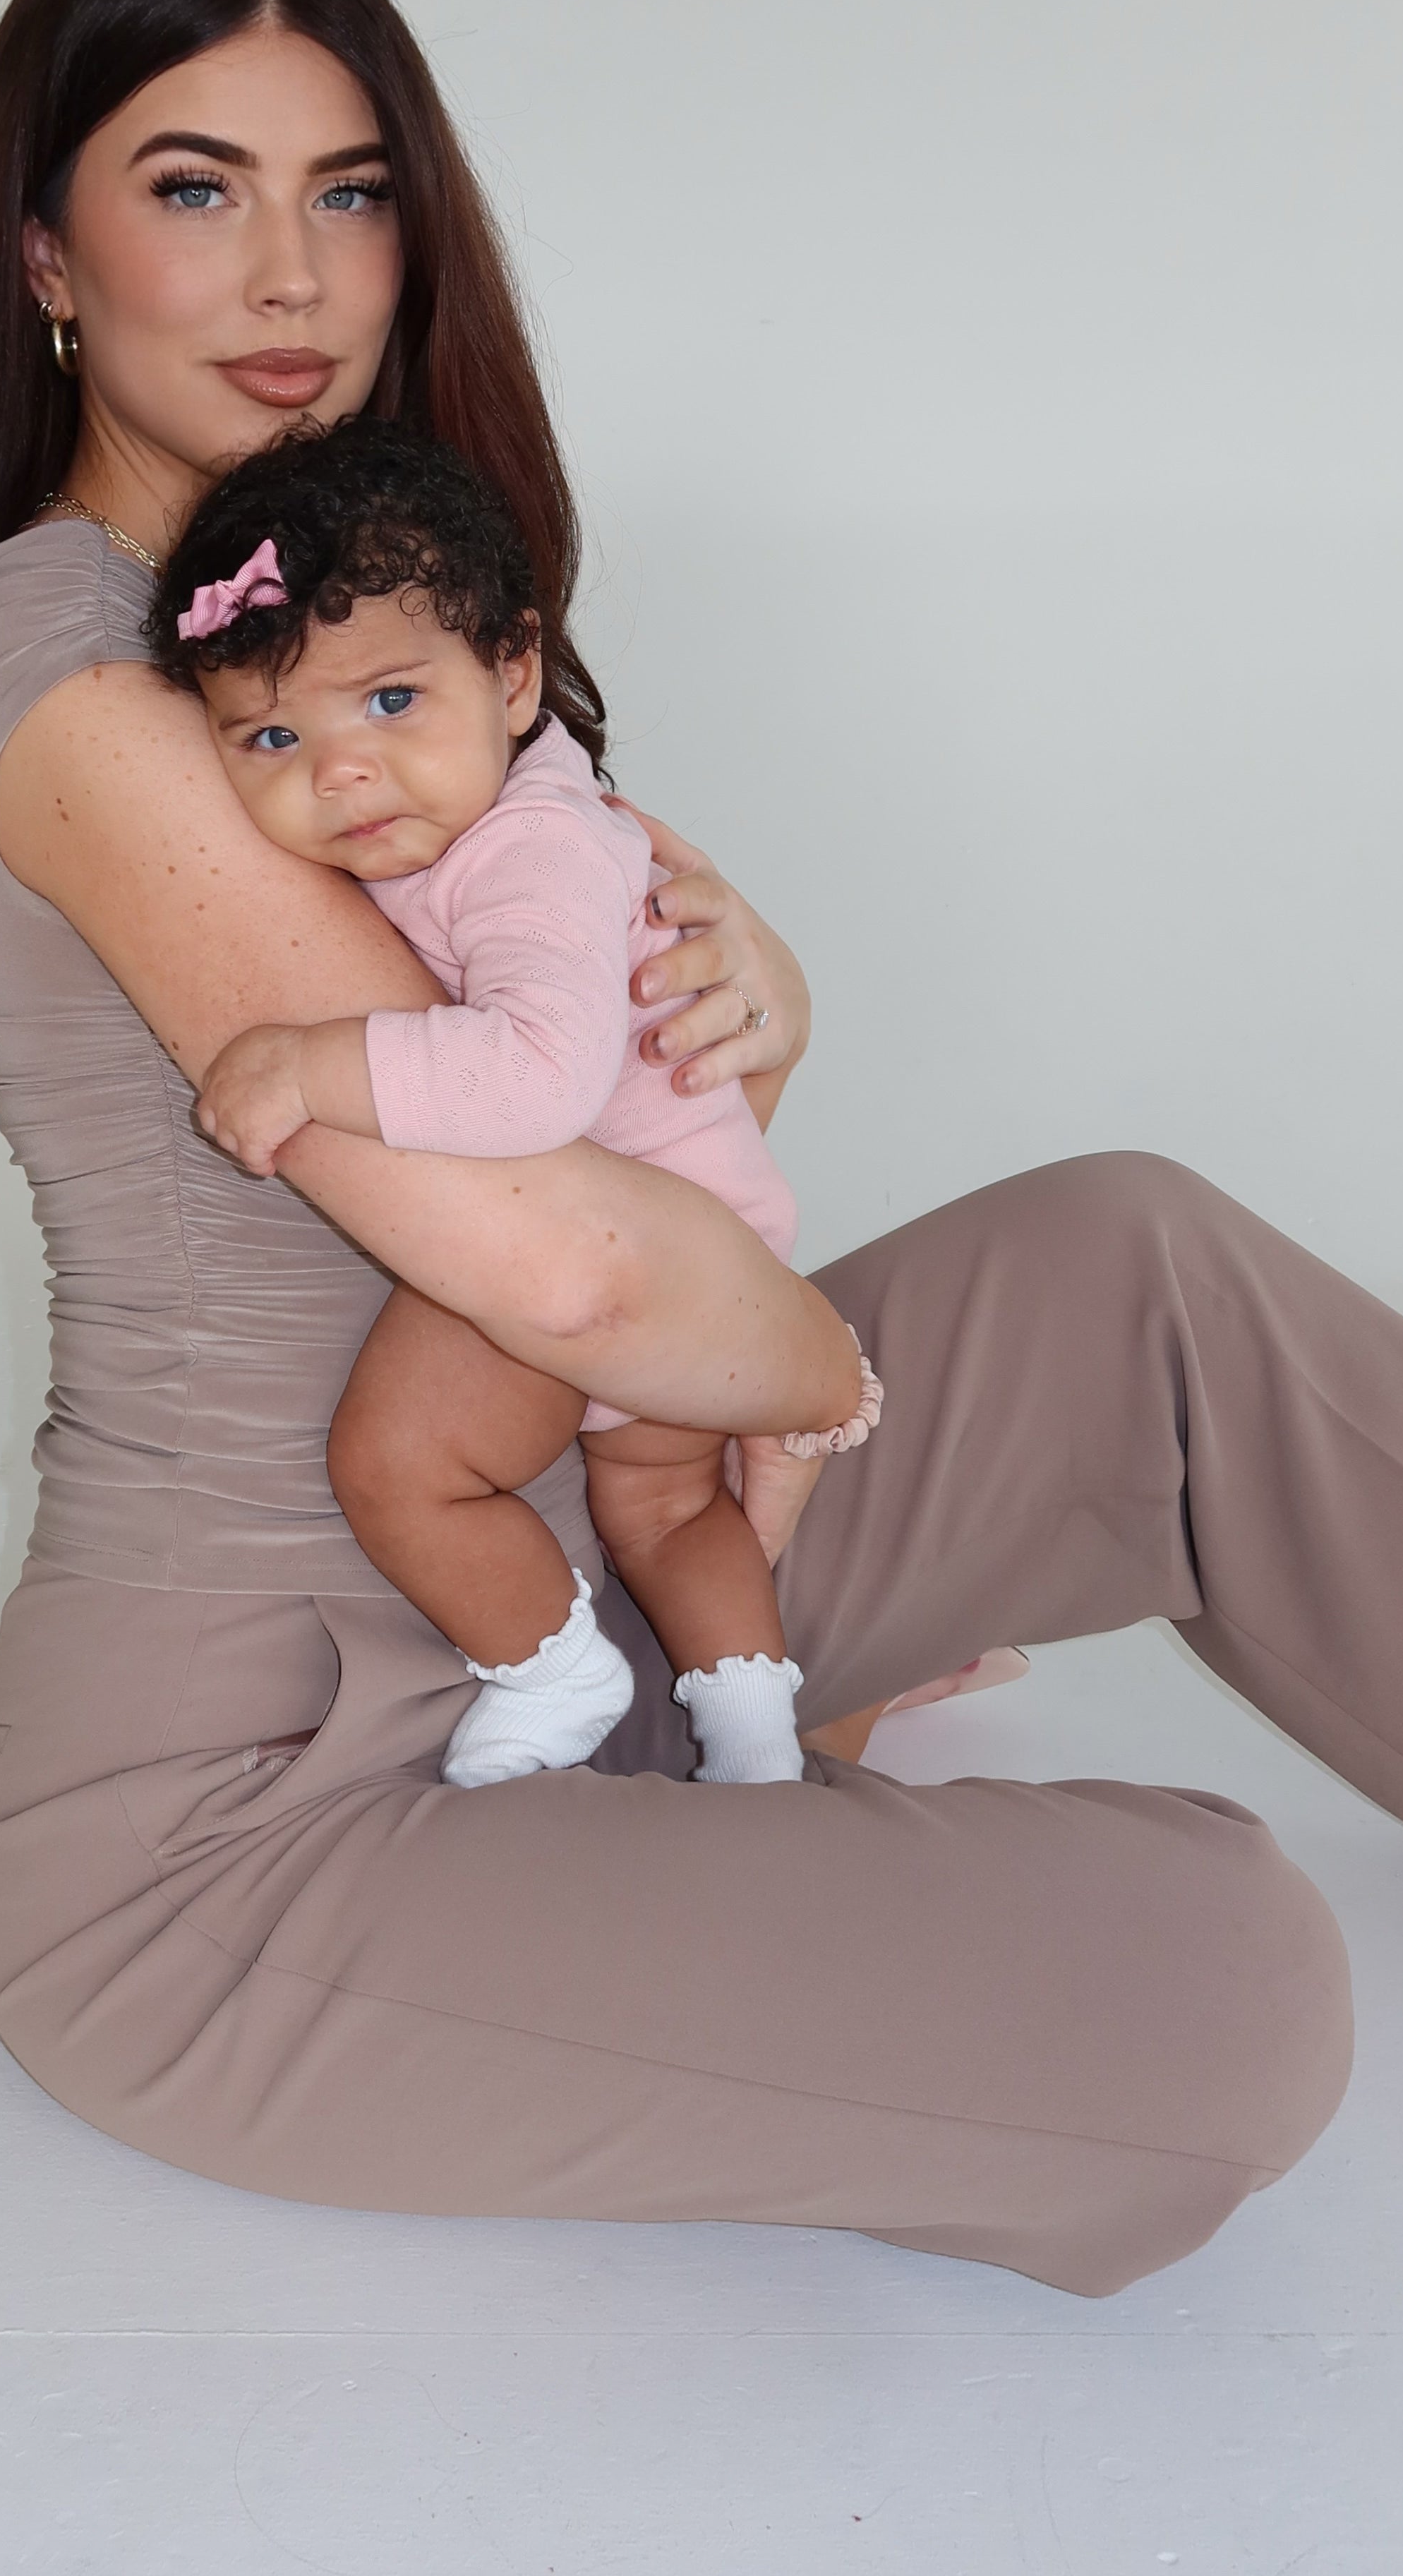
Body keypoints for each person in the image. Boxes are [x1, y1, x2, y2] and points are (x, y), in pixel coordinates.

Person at [0, 0, 1403, 2299]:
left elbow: (605, 1068)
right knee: (1227, 1986)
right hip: (259, 1814)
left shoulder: (361, 603)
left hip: (567, 1548)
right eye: (191, 184)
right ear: (43, 253)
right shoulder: (55, 667)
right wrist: (818, 1401)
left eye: (347, 192)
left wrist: (755, 991)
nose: (289, 276)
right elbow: (562, 1259)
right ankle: (746, 1770)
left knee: (1126, 1264)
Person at [147, 416, 883, 1791]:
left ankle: (552, 1669)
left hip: (634, 1238)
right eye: (268, 733)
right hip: (697, 1218)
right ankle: (753, 1740)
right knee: (664, 1505)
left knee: (402, 1465)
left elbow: (538, 1077)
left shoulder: (531, 852)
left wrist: (315, 1064)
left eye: (388, 703)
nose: (341, 770)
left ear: (515, 671)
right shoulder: (500, 817)